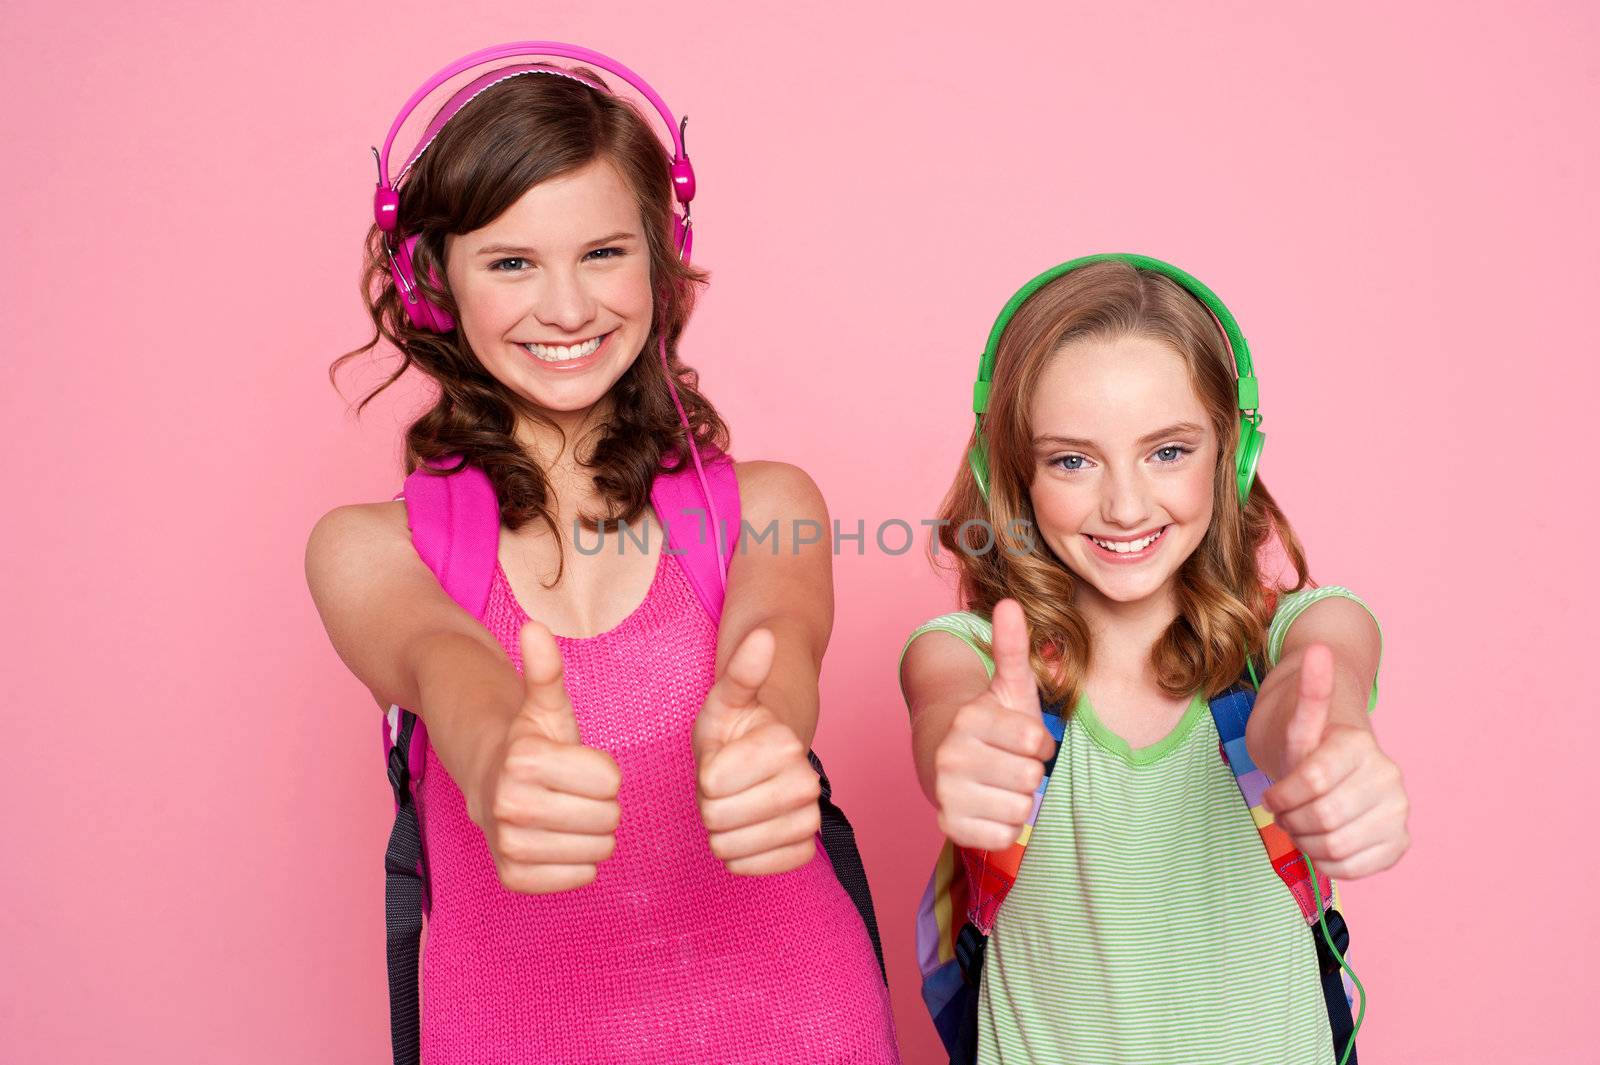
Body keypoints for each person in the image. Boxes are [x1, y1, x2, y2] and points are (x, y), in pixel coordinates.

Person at [305, 45, 898, 1065]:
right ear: (430, 277)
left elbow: (778, 641)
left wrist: (768, 733)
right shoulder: (365, 548)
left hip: (804, 1029)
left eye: (604, 253)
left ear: (663, 259)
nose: (570, 309)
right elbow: (447, 665)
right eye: (511, 263)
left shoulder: (769, 504)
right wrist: (498, 761)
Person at [899, 255, 1409, 1064]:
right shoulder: (971, 656)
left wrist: (1330, 746)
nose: (1126, 505)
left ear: (1231, 453)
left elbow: (1316, 685)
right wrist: (965, 748)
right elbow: (946, 706)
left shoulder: (1292, 638)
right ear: (1011, 472)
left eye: (1168, 451)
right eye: (1073, 459)